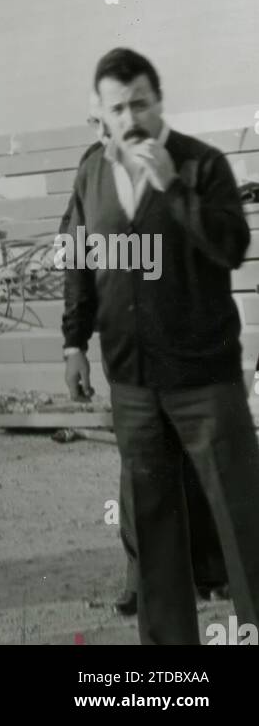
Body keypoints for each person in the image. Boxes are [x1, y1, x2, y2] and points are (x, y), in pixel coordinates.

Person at [62, 49, 258, 645]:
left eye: (140, 102)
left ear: (160, 101)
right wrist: (73, 341)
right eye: (117, 106)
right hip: (133, 381)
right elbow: (77, 259)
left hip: (205, 380)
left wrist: (172, 186)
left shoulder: (202, 164)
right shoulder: (92, 171)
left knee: (241, 521)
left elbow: (231, 246)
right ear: (101, 112)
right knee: (153, 529)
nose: (131, 117)